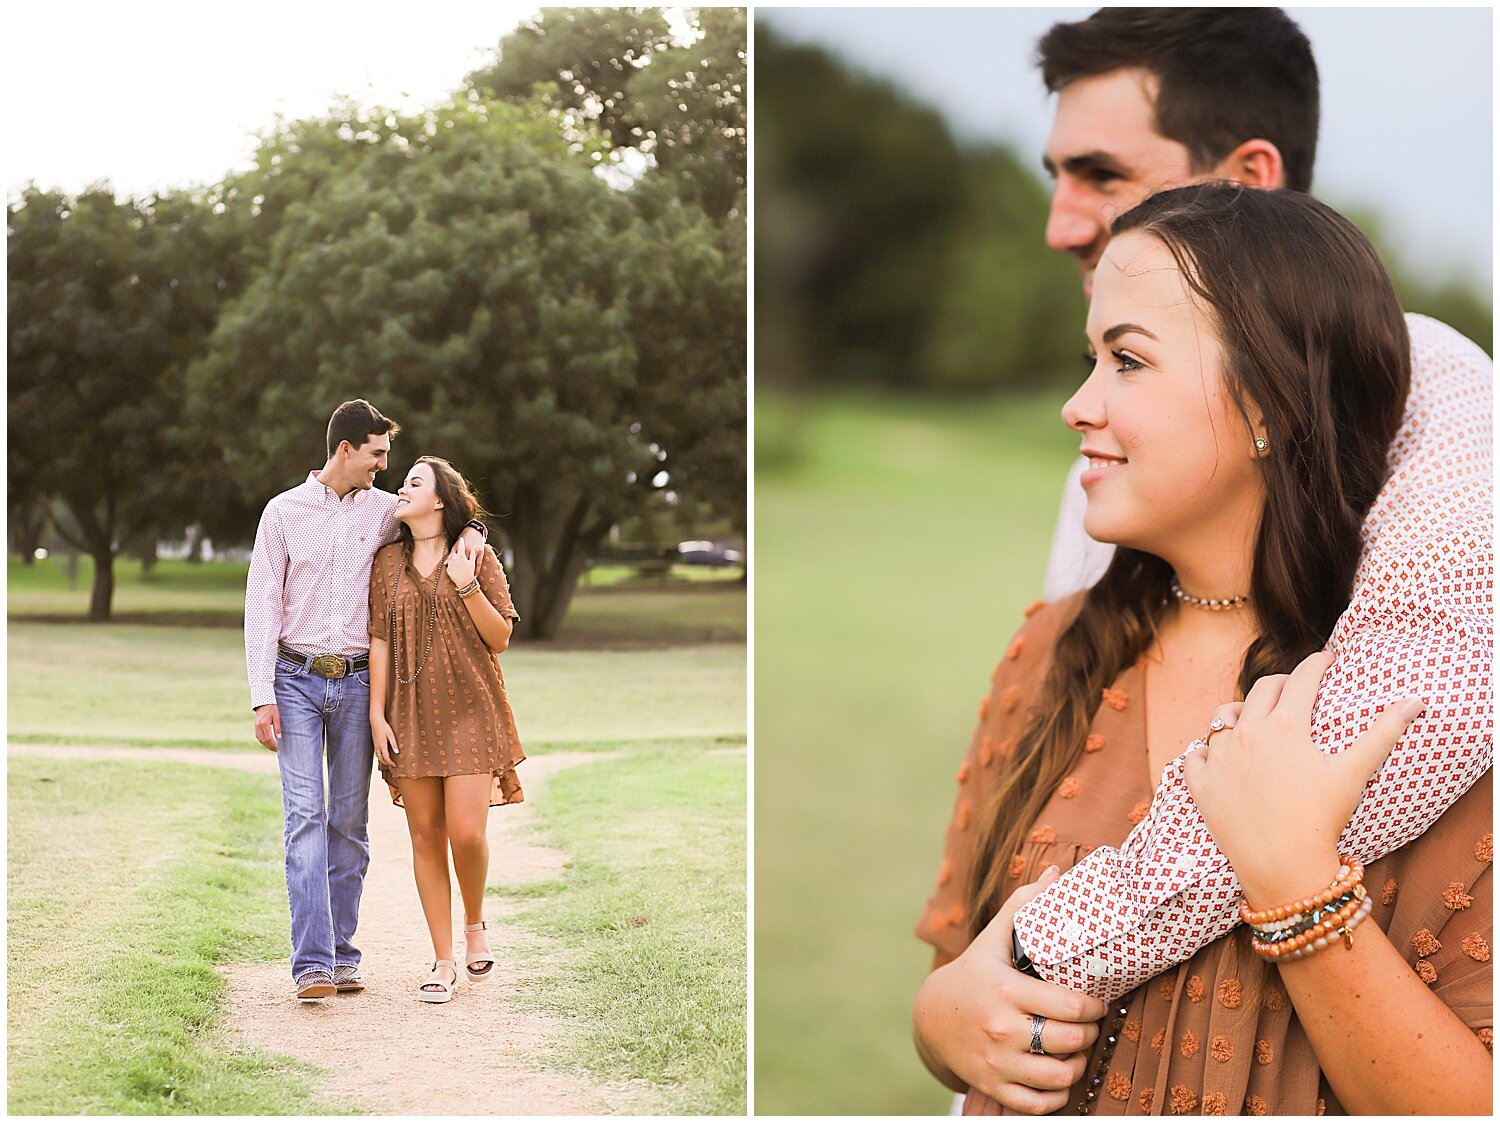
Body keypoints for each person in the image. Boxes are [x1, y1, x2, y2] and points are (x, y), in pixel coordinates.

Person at [912, 184, 1491, 1115]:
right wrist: (941, 1023)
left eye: (1127, 361)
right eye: (1088, 359)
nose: (1076, 404)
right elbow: (959, 970)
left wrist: (1298, 885)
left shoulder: (1426, 716)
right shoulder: (1054, 649)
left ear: (1270, 404)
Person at [245, 400, 485, 1001]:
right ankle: (313, 965)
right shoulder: (281, 513)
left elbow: (447, 517)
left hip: (356, 685)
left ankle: (344, 953)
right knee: (304, 818)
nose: (386, 465)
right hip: (294, 680)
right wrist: (260, 696)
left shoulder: (385, 513)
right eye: (378, 453)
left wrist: (476, 534)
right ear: (346, 448)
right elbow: (260, 608)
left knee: (348, 823)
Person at [367, 455, 524, 1003]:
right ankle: (442, 959)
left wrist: (465, 586)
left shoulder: (475, 557)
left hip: (471, 709)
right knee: (424, 835)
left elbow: (500, 638)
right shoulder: (387, 562)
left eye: (414, 482)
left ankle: (475, 922)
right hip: (408, 713)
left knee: (466, 833)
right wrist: (375, 714)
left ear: (440, 500)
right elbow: (380, 640)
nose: (401, 488)